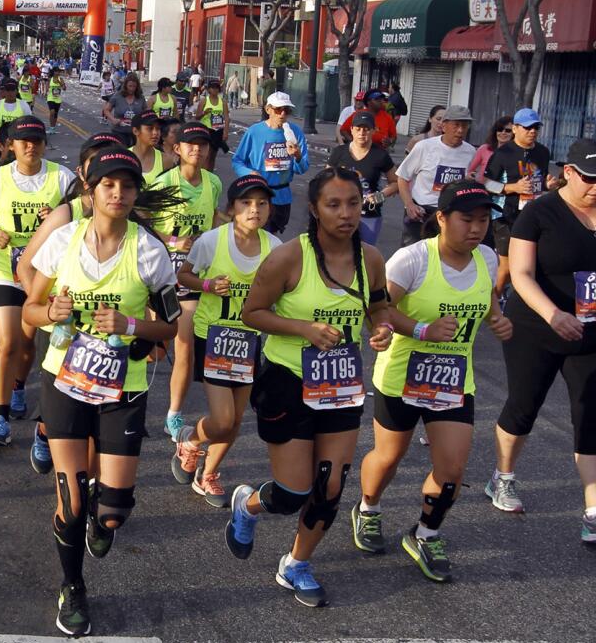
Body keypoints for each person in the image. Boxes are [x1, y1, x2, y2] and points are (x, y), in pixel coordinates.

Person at [22, 145, 179, 637]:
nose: (117, 193)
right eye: (108, 184)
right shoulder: (63, 240)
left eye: (127, 186)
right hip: (65, 379)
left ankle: (99, 516)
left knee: (112, 513)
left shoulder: (149, 251)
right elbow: (30, 308)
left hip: (123, 387)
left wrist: (132, 323)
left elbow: (171, 329)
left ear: (136, 194)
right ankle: (73, 588)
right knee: (69, 499)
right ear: (91, 190)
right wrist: (51, 314)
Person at [225, 166, 393, 608]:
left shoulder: (371, 258)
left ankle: (297, 563)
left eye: (353, 203)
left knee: (330, 484)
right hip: (287, 381)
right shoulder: (288, 258)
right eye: (334, 205)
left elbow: (379, 303)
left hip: (340, 385)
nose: (346, 214)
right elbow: (252, 312)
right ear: (315, 209)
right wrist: (303, 328)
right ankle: (247, 506)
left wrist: (382, 329)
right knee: (293, 491)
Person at [355, 181, 513, 582]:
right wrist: (420, 330)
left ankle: (426, 532)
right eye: (467, 220)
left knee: (453, 467)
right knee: (388, 457)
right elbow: (380, 309)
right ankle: (368, 507)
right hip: (401, 376)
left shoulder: (489, 259)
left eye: (484, 220)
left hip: (453, 381)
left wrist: (496, 319)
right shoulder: (411, 260)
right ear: (441, 219)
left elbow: (487, 299)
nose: (477, 228)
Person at [488, 139, 596, 544]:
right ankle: (503, 476)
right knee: (524, 407)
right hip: (538, 327)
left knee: (594, 416)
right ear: (568, 172)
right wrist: (553, 315)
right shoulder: (541, 212)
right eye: (591, 179)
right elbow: (520, 274)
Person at [172, 174, 279, 507]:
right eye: (246, 203)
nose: (254, 210)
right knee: (221, 419)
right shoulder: (212, 241)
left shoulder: (274, 248)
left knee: (235, 418)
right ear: (232, 208)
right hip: (213, 335)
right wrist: (206, 286)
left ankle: (208, 474)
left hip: (247, 341)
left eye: (262, 203)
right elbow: (184, 275)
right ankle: (189, 440)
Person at [0, 117, 74, 446]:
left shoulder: (61, 177)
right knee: (8, 342)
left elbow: (80, 213)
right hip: (4, 270)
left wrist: (56, 215)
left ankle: (17, 386)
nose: (31, 146)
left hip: (45, 274)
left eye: (37, 140)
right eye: (23, 140)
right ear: (10, 145)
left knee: (29, 346)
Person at [154, 122, 225, 441]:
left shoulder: (213, 183)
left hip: (195, 273)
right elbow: (141, 220)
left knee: (185, 344)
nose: (197, 149)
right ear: (177, 149)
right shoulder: (163, 183)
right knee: (157, 347)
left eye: (203, 144)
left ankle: (173, 414)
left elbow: (211, 223)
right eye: (190, 144)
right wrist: (171, 239)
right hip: (164, 269)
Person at [481, 108, 555, 291]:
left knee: (528, 266)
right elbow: (487, 184)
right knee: (505, 268)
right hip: (505, 215)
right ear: (515, 128)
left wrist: (549, 185)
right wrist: (513, 188)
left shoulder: (543, 152)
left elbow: (540, 181)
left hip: (532, 214)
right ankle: (493, 308)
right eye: (528, 127)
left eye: (536, 127)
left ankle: (517, 304)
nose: (533, 131)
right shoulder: (503, 153)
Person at [232, 92, 310, 235]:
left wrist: (297, 156)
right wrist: (250, 173)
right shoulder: (254, 132)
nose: (282, 114)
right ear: (268, 110)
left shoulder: (295, 132)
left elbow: (303, 168)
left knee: (271, 240)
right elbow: (237, 161)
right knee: (257, 238)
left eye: (287, 110)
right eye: (278, 109)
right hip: (259, 195)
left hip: (282, 197)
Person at [396, 105, 475, 246]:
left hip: (450, 215)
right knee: (414, 257)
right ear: (444, 126)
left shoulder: (470, 152)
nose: (460, 130)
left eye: (465, 126)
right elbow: (402, 177)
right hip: (421, 214)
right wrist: (409, 204)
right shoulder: (424, 147)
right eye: (456, 125)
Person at [327, 112, 398, 246]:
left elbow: (396, 182)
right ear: (352, 130)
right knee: (337, 251)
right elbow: (325, 180)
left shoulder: (380, 155)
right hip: (340, 212)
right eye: (358, 129)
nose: (362, 133)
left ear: (373, 131)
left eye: (366, 129)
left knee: (364, 255)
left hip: (368, 214)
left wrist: (380, 195)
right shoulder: (339, 152)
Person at [193, 79, 229, 171]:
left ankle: (210, 174)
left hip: (218, 130)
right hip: (207, 130)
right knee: (207, 154)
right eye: (213, 88)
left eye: (217, 88)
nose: (215, 90)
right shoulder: (204, 101)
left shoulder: (223, 102)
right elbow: (197, 117)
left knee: (213, 155)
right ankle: (203, 174)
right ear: (208, 89)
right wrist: (204, 113)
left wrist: (225, 132)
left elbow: (226, 117)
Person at [468, 115, 514, 182]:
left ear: (514, 133)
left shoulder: (517, 153)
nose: (503, 133)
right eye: (500, 129)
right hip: (483, 190)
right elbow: (469, 171)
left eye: (508, 130)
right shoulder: (484, 149)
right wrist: (472, 177)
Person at [129, 113, 167, 184]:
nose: (155, 133)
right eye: (150, 128)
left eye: (158, 128)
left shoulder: (166, 160)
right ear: (135, 131)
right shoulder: (123, 156)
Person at [45, 67, 66, 134]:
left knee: (55, 114)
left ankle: (53, 128)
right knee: (52, 112)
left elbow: (64, 88)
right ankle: (51, 127)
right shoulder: (50, 79)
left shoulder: (61, 79)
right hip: (50, 98)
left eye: (59, 72)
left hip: (58, 99)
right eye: (56, 71)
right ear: (53, 72)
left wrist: (59, 83)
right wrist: (46, 92)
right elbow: (47, 87)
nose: (58, 73)